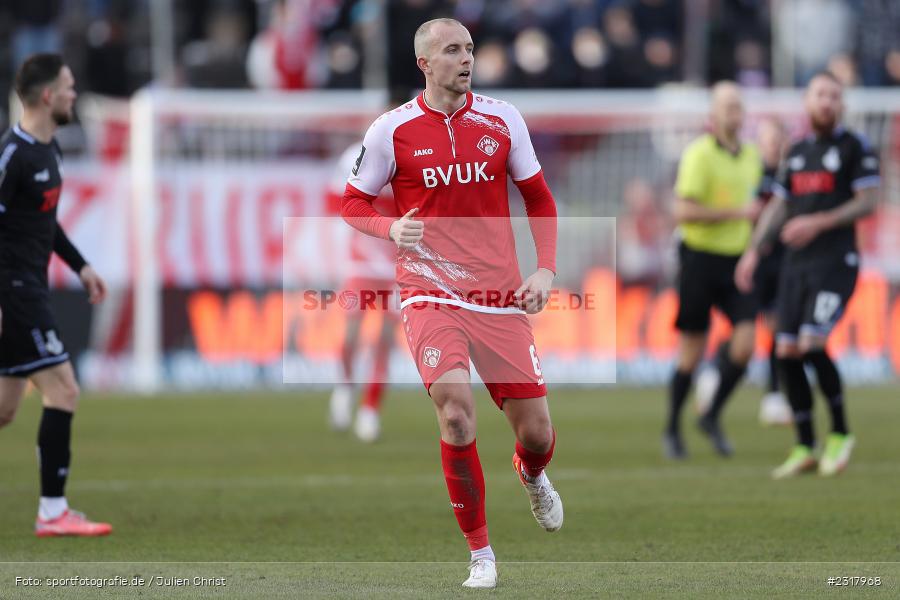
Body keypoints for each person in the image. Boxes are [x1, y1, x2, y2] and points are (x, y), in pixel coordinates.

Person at [341, 18, 561, 589]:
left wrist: (544, 268)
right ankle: (481, 554)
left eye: (469, 49)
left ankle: (532, 475)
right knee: (456, 411)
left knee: (537, 434)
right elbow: (353, 204)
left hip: (498, 295)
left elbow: (539, 199)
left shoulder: (503, 118)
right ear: (424, 63)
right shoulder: (391, 131)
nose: (466, 59)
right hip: (429, 293)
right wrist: (390, 231)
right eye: (452, 51)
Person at [736, 71, 880, 479]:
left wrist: (818, 222)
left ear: (842, 104)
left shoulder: (855, 147)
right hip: (794, 266)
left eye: (834, 96)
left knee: (812, 342)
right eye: (820, 95)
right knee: (784, 352)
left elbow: (868, 201)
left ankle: (840, 434)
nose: (827, 102)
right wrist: (752, 251)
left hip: (835, 262)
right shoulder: (796, 151)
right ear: (808, 101)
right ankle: (804, 446)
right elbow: (778, 207)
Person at [0, 54, 111, 537]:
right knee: (63, 388)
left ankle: (53, 510)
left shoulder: (51, 151)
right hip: (15, 293)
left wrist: (80, 265)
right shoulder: (13, 155)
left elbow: (45, 222)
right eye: (68, 87)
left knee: (4, 410)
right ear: (47, 96)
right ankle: (52, 511)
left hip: (30, 286)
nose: (74, 94)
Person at [664, 81, 761, 460]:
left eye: (739, 105)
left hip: (737, 261)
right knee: (691, 351)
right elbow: (683, 211)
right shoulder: (699, 155)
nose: (735, 112)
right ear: (713, 115)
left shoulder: (752, 156)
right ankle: (672, 427)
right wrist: (737, 213)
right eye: (727, 106)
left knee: (746, 344)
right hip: (700, 259)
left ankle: (712, 413)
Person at [327, 138, 399, 443]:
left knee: (385, 338)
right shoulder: (356, 155)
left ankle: (370, 409)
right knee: (352, 332)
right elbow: (335, 201)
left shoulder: (418, 157)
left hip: (398, 262)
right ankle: (345, 385)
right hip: (361, 260)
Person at [753, 117, 793, 426]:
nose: (773, 145)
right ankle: (712, 375)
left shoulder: (790, 175)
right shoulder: (751, 174)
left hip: (783, 262)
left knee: (777, 329)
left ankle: (775, 393)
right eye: (768, 139)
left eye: (777, 139)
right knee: (740, 326)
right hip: (752, 261)